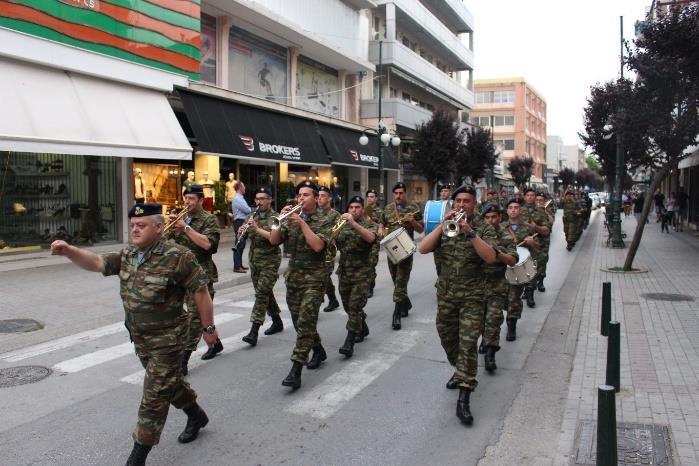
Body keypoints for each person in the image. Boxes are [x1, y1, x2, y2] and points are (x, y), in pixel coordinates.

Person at [50, 203, 219, 465]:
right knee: (169, 385)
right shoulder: (128, 253)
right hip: (140, 339)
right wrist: (69, 251)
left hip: (169, 340)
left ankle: (137, 456)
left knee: (154, 395)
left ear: (159, 227)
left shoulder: (178, 256)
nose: (135, 230)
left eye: (141, 225)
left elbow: (200, 291)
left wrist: (208, 328)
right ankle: (196, 415)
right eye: (132, 226)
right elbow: (97, 263)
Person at [418, 185, 498, 426]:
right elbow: (422, 248)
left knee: (468, 342)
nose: (462, 205)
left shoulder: (483, 227)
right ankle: (460, 368)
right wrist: (443, 226)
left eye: (467, 201)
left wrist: (471, 233)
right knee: (447, 337)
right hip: (446, 294)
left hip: (473, 295)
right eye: (459, 201)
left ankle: (464, 395)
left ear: (475, 204)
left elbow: (491, 257)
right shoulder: (446, 226)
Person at [269, 181, 332, 389]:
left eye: (306, 195)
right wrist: (278, 221)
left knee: (306, 322)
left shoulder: (326, 218)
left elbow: (317, 246)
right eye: (299, 195)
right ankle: (319, 349)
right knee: (298, 322)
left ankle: (296, 370)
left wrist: (302, 222)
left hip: (315, 278)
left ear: (315, 198)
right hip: (294, 278)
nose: (301, 199)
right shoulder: (291, 218)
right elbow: (273, 240)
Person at [166, 185, 223, 374]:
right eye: (186, 198)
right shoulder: (182, 218)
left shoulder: (209, 219)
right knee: (180, 315)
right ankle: (215, 342)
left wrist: (186, 228)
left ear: (200, 200)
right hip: (180, 274)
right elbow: (164, 242)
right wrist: (166, 226)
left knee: (194, 318)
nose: (187, 202)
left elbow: (208, 245)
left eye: (191, 199)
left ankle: (184, 359)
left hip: (200, 275)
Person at [334, 196, 377, 357]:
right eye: (351, 207)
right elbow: (334, 242)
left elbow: (371, 238)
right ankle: (362, 326)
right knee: (347, 306)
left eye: (357, 207)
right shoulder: (341, 224)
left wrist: (353, 223)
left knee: (354, 307)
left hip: (362, 272)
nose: (353, 210)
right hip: (344, 271)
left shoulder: (368, 224)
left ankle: (349, 342)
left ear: (362, 209)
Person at [240, 187, 284, 346]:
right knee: (265, 293)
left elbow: (275, 239)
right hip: (255, 261)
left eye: (263, 198)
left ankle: (254, 331)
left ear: (270, 199)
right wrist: (242, 232)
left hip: (270, 261)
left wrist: (257, 229)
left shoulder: (277, 217)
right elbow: (246, 236)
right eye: (257, 199)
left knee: (261, 294)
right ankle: (277, 321)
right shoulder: (252, 216)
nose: (259, 201)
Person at [380, 182, 424, 330]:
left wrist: (413, 221)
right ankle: (406, 303)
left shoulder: (414, 208)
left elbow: (420, 229)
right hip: (391, 249)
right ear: (393, 194)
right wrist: (380, 230)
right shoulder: (387, 208)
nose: (398, 196)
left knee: (400, 283)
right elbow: (382, 223)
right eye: (396, 193)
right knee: (395, 279)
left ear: (405, 194)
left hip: (406, 249)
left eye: (401, 193)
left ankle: (396, 315)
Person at [479, 202, 517, 373]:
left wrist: (497, 252)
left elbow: (513, 260)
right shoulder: (477, 234)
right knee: (480, 320)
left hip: (497, 285)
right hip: (477, 285)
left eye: (494, 217)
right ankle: (484, 341)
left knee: (493, 320)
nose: (490, 221)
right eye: (487, 218)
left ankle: (490, 353)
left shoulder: (506, 236)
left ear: (500, 218)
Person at [501, 199, 539, 342]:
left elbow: (537, 248)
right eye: (510, 207)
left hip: (517, 269)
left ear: (520, 211)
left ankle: (511, 326)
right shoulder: (500, 227)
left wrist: (532, 243)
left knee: (514, 299)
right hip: (501, 267)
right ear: (507, 211)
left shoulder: (528, 228)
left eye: (516, 207)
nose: (513, 210)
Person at [520, 188, 550, 307]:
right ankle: (525, 290)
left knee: (533, 269)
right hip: (521, 244)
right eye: (528, 195)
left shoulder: (541, 211)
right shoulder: (518, 210)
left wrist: (535, 226)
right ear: (524, 197)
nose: (530, 197)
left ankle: (530, 294)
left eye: (532, 195)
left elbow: (546, 230)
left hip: (535, 245)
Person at [317, 185, 341, 312]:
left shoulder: (335, 215)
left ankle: (319, 299)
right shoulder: (314, 214)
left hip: (327, 253)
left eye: (323, 196)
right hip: (314, 252)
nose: (319, 198)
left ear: (329, 198)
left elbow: (337, 234)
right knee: (324, 278)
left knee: (323, 276)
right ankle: (332, 299)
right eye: (318, 196)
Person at [365, 189, 383, 299]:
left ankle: (370, 287)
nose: (370, 198)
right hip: (364, 240)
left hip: (374, 241)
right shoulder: (363, 210)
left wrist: (372, 222)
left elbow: (382, 228)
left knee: (371, 264)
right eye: (368, 197)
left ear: (376, 198)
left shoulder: (380, 212)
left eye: (372, 196)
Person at [535, 192, 554, 292]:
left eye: (540, 200)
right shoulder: (531, 211)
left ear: (544, 201)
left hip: (544, 241)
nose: (538, 202)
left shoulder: (548, 211)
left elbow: (551, 222)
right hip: (532, 241)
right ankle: (528, 288)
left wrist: (545, 212)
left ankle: (541, 282)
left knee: (542, 262)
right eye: (537, 200)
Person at [231, 181, 252, 273]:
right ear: (240, 188)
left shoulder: (240, 198)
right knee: (239, 244)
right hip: (239, 222)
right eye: (244, 186)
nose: (245, 188)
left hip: (241, 221)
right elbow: (247, 210)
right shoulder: (238, 199)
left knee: (241, 244)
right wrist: (250, 209)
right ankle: (236, 266)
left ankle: (239, 264)